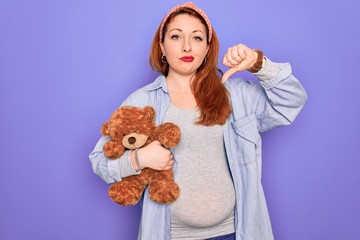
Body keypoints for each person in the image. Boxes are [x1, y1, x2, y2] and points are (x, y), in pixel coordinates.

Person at [89, 2, 307, 240]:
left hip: (235, 233)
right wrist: (138, 158)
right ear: (162, 46)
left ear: (207, 48)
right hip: (169, 235)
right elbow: (99, 160)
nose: (186, 46)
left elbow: (291, 102)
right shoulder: (142, 101)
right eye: (175, 36)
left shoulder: (234, 94)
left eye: (197, 38)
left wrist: (258, 62)